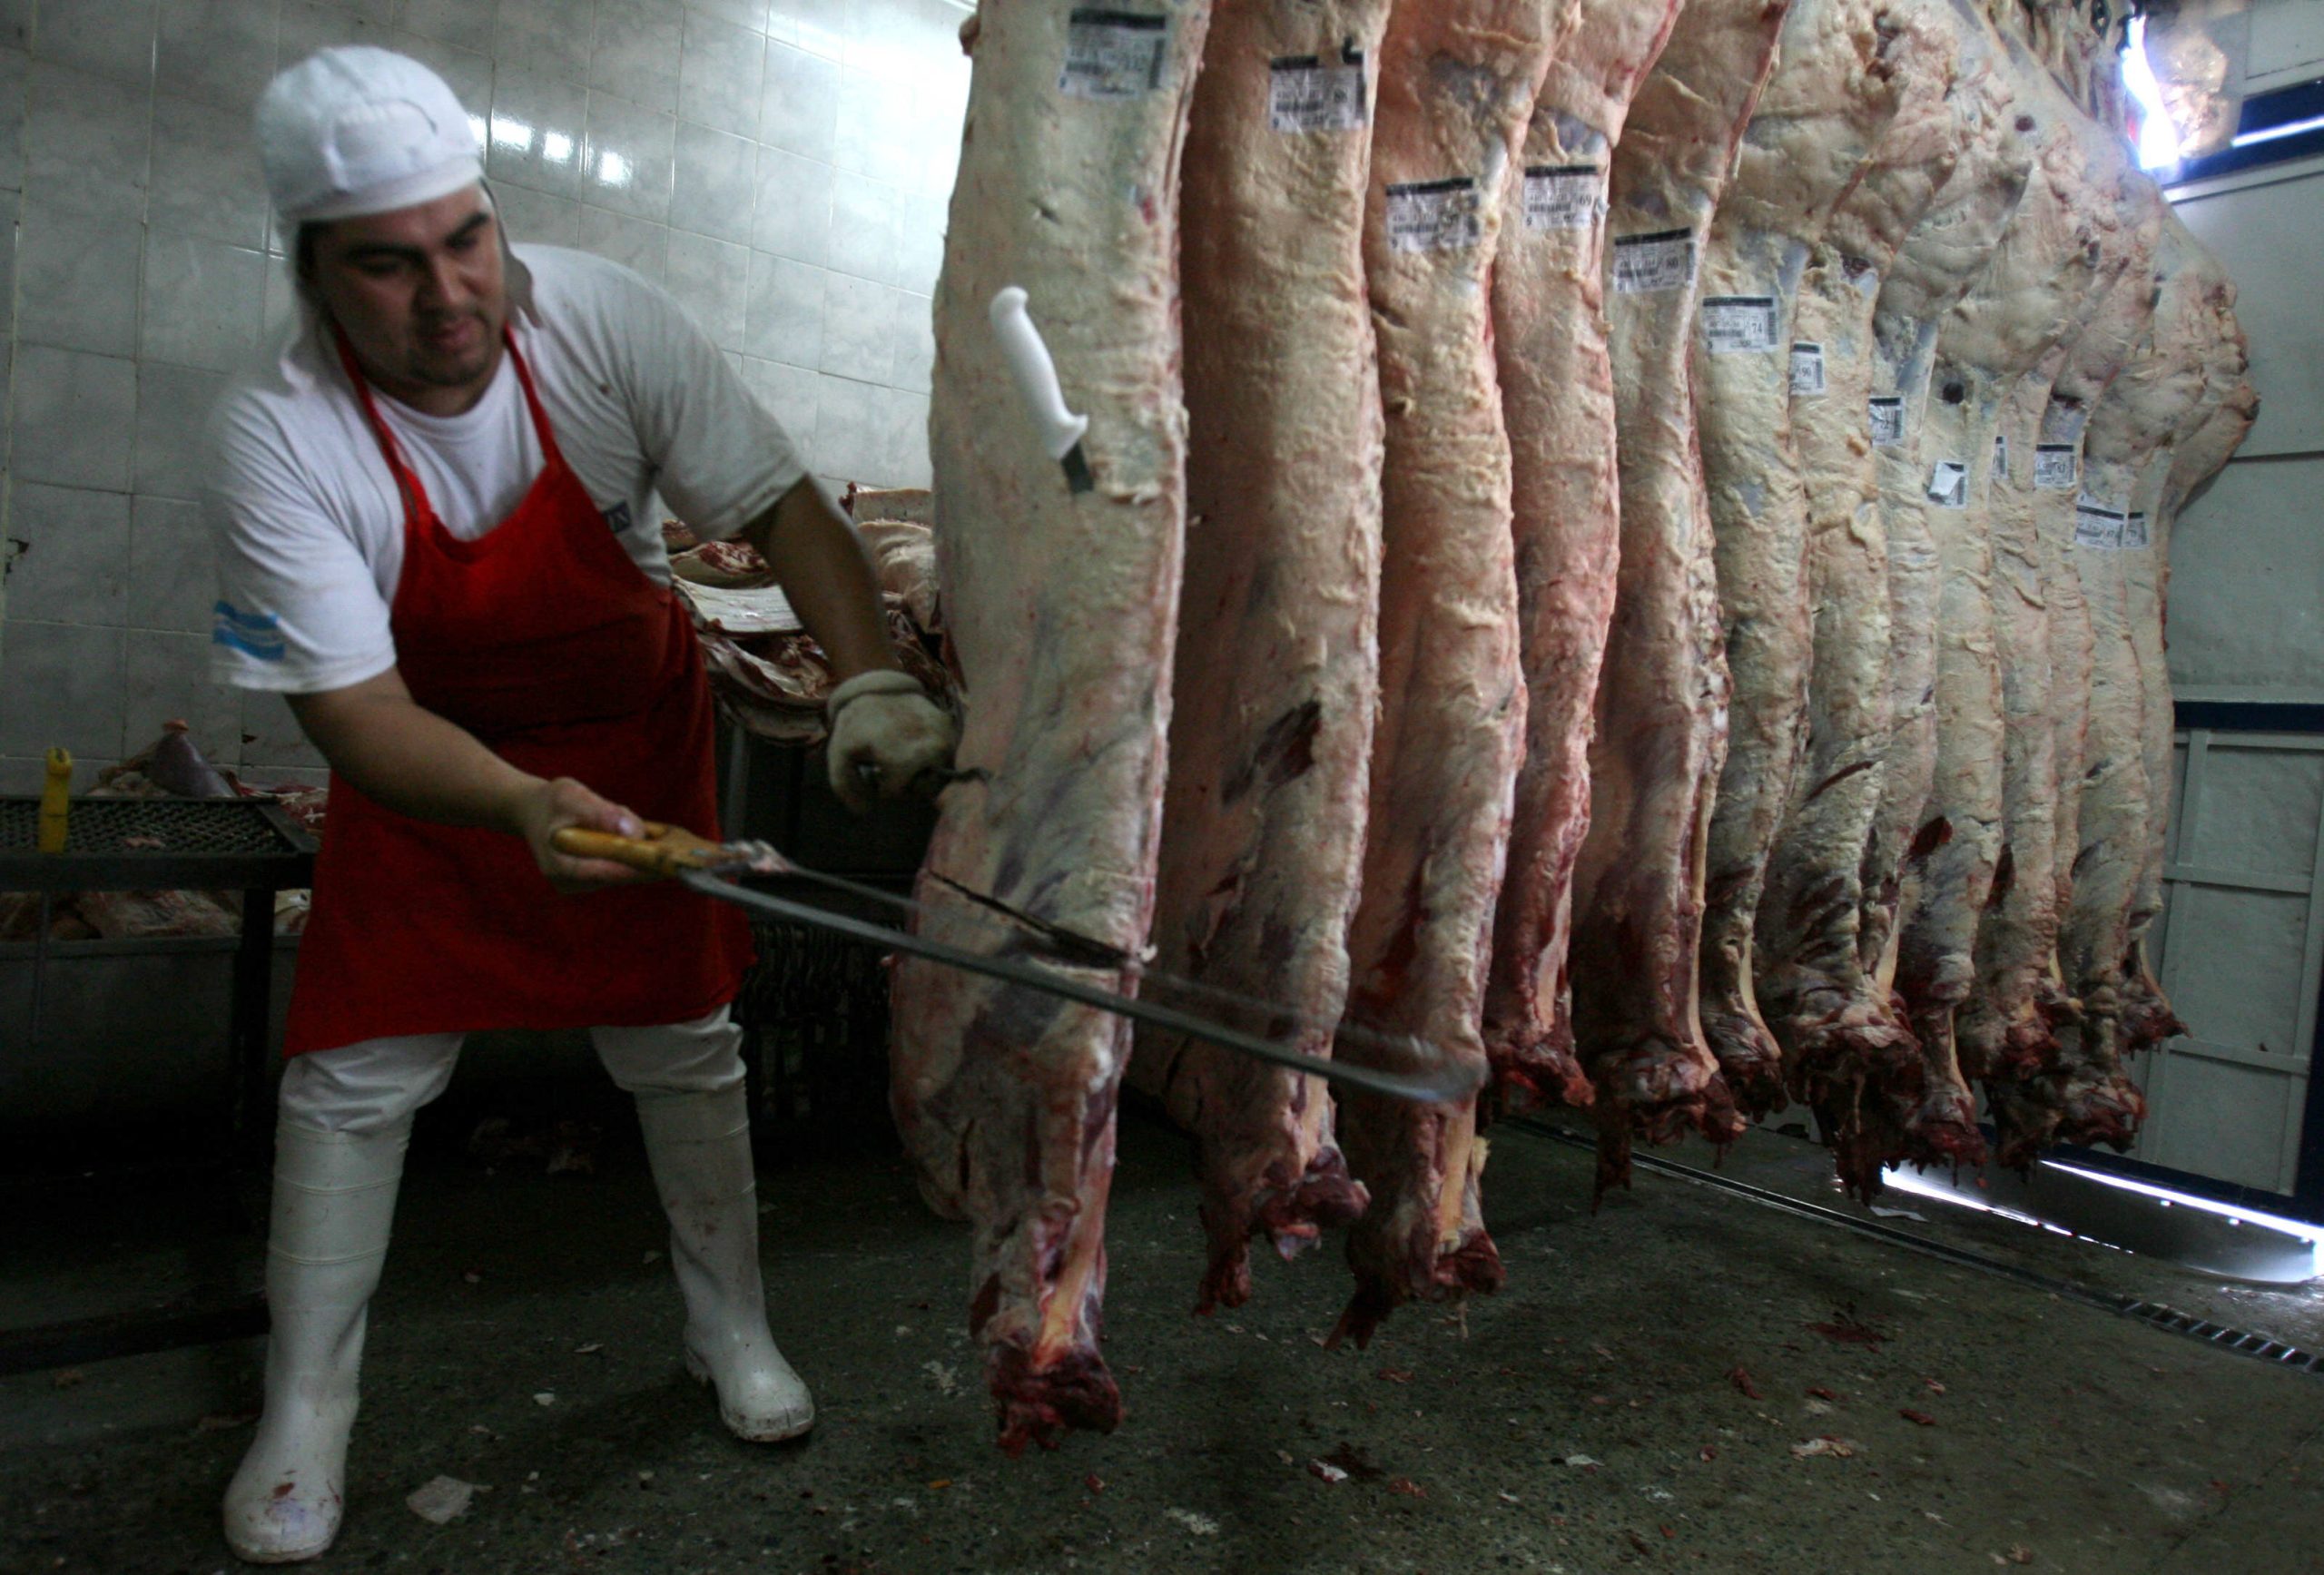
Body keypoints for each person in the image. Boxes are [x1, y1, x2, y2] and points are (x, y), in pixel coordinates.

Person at [206, 47, 956, 1563]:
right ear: (313, 268)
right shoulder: (278, 429)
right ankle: (308, 1410)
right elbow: (348, 709)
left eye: (466, 238)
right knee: (352, 1082)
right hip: (432, 774)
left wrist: (870, 678)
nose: (449, 294)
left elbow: (780, 508)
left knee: (685, 1052)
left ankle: (728, 1330)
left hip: (637, 742)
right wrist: (516, 804)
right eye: (390, 264)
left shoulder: (598, 318)